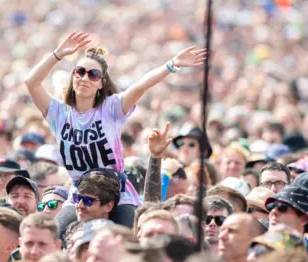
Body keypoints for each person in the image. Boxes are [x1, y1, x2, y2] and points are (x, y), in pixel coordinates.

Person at [25, 31, 205, 226]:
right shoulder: (58, 113)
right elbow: (31, 82)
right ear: (73, 76)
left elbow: (140, 87)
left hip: (116, 193)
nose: (85, 78)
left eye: (93, 74)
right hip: (80, 193)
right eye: (80, 72)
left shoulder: (111, 108)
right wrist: (58, 54)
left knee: (132, 235)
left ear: (101, 83)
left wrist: (172, 64)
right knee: (59, 236)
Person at [265, 184, 308, 254]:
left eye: (282, 207)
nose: (273, 211)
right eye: (271, 206)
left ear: (303, 219)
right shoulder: (256, 251)